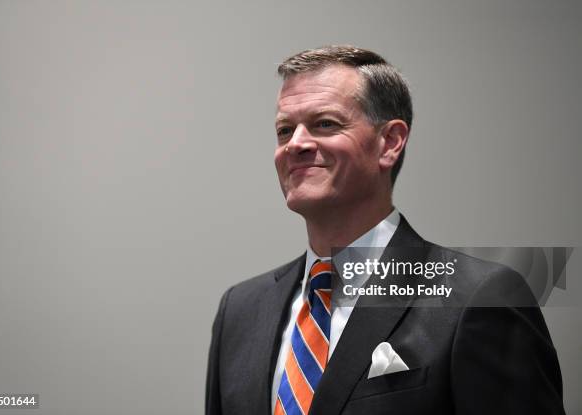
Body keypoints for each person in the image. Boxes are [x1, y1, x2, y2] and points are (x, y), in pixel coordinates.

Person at [205, 45, 565, 415]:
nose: (295, 144)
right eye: (284, 130)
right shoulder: (241, 310)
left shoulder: (478, 297)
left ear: (390, 142)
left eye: (324, 123)